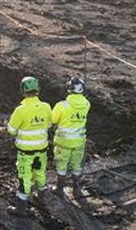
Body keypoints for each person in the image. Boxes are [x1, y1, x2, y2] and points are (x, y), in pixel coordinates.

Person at [6, 76, 52, 216]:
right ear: (38, 89)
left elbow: (11, 130)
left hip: (26, 153)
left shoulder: (21, 110)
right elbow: (49, 124)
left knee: (25, 179)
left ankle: (20, 210)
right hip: (42, 150)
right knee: (41, 174)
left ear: (23, 91)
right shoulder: (46, 107)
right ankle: (41, 199)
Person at [51, 77, 90, 195]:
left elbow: (53, 120)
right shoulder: (87, 104)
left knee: (62, 163)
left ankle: (59, 188)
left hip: (64, 142)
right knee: (77, 164)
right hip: (79, 141)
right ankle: (76, 188)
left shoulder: (61, 105)